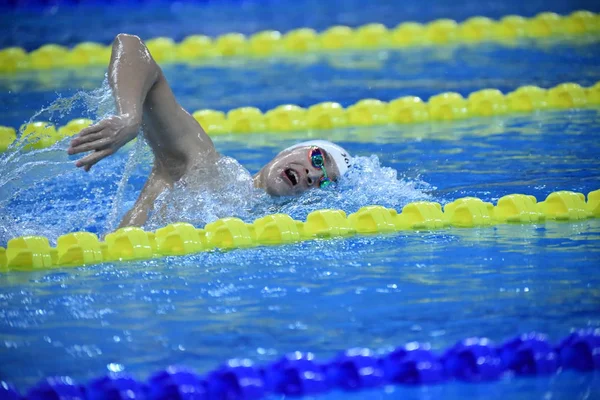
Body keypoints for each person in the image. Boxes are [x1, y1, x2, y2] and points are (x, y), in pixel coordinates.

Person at [67, 34, 352, 228]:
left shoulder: (257, 226)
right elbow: (130, 46)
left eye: (324, 182)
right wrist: (129, 116)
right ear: (290, 150)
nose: (314, 175)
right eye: (318, 158)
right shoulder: (205, 167)